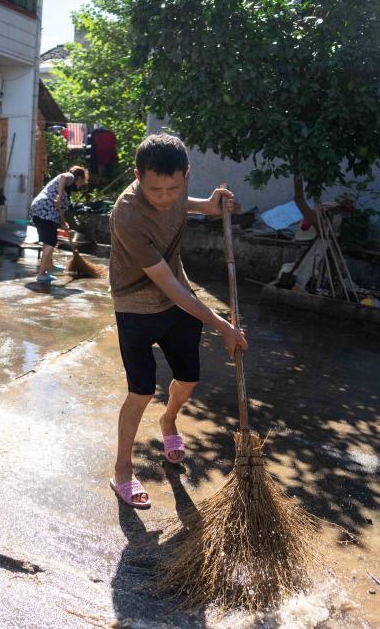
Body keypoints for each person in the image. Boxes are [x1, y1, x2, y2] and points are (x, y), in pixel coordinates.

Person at [108, 134, 249, 508]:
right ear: (138, 176)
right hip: (137, 304)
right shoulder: (127, 214)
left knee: (188, 379)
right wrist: (223, 325)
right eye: (155, 189)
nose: (165, 197)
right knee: (140, 390)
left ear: (186, 175)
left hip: (176, 302)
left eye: (174, 187)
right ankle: (123, 469)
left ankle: (168, 421)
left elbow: (178, 205)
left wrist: (209, 205)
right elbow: (169, 287)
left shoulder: (173, 191)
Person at [29, 165, 89, 283]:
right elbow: (63, 177)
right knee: (50, 243)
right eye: (82, 181)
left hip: (42, 212)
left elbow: (59, 211)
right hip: (44, 210)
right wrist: (59, 195)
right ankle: (41, 274)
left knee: (49, 241)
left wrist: (63, 223)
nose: (81, 184)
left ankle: (49, 267)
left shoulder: (67, 191)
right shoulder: (70, 177)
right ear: (79, 178)